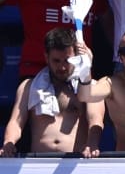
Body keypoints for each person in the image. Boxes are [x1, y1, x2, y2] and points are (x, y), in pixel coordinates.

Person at [1, 29, 104, 157]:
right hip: (39, 161)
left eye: (67, 61)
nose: (62, 67)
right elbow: (15, 122)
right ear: (46, 57)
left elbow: (95, 119)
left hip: (75, 161)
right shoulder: (28, 87)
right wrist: (9, 143)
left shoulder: (91, 87)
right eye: (56, 61)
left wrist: (92, 143)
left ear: (76, 58)